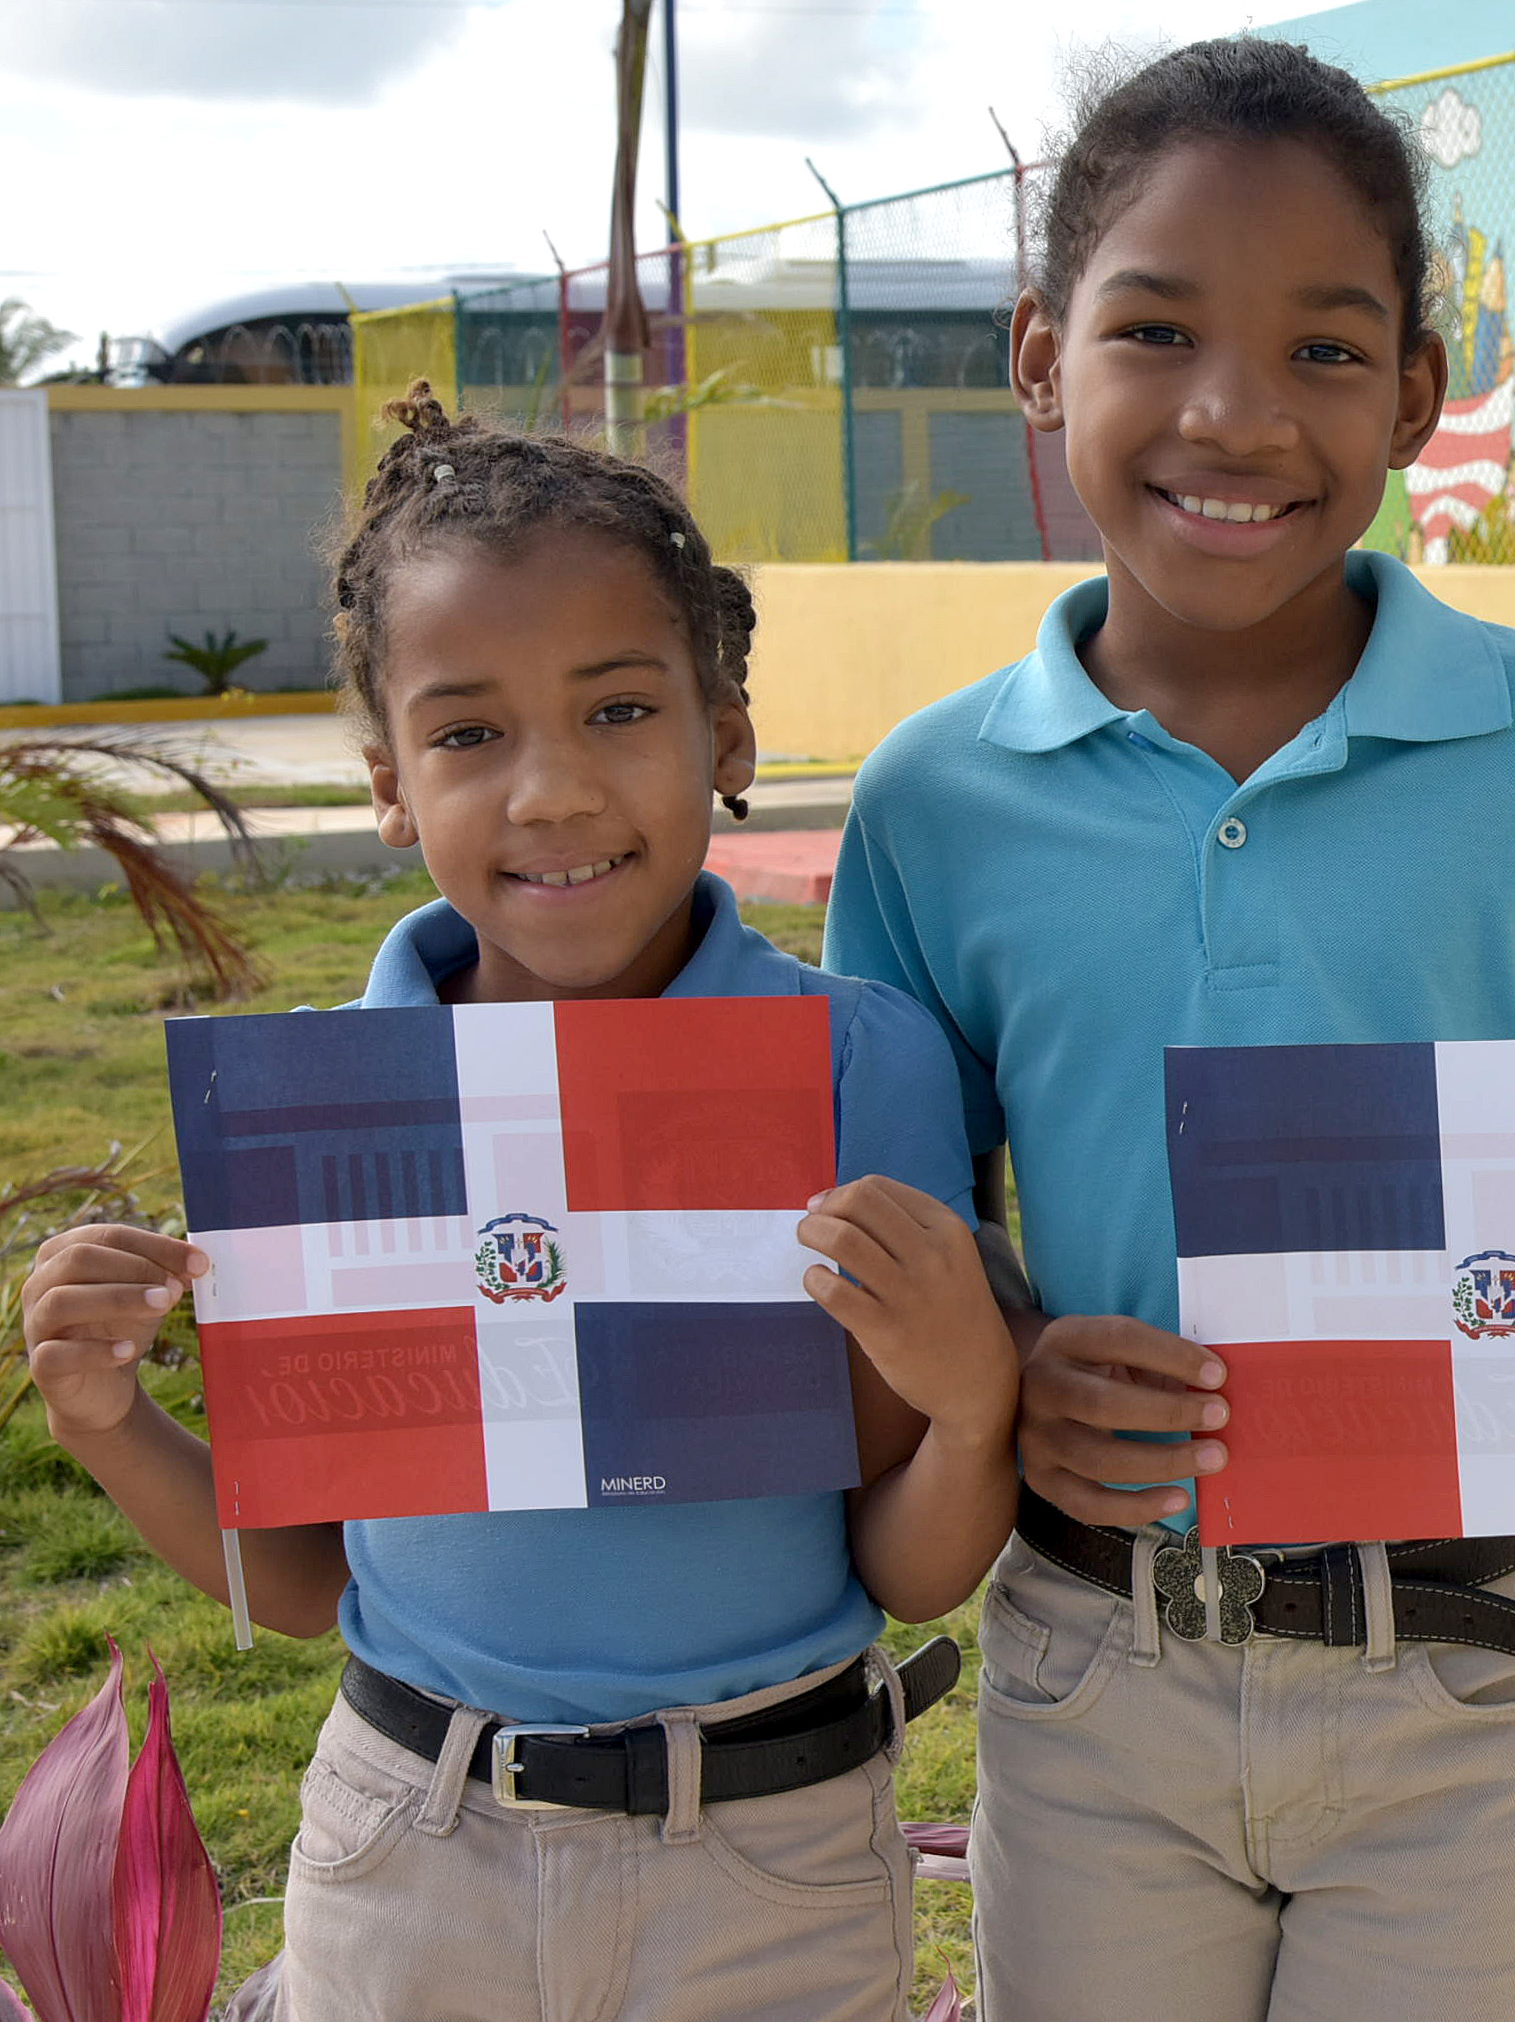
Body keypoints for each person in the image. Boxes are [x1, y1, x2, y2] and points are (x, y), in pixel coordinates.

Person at [819, 35, 1515, 2022]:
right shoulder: (934, 799)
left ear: (1419, 394)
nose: (1234, 411)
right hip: (1099, 1673)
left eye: (1324, 349)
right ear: (1038, 357)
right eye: (1155, 331)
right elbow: (902, 1243)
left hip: (1467, 1668)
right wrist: (1010, 1356)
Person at [20, 390, 1015, 2022]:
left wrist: (975, 1409)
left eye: (619, 708)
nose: (550, 790)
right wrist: (108, 1420)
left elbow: (904, 1566)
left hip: (767, 1863)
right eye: (469, 733)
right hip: (414, 1852)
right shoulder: (331, 1101)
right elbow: (307, 1582)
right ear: (390, 783)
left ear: (728, 736)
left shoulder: (857, 1063)